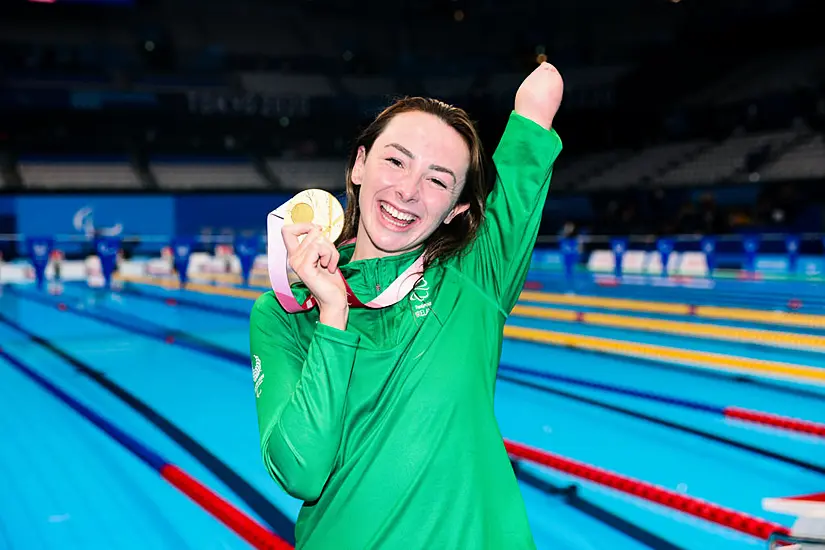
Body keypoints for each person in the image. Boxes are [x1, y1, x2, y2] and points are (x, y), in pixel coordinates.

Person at [249, 62, 564, 549]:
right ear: (359, 164)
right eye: (396, 161)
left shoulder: (476, 276)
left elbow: (542, 97)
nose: (408, 191)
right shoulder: (284, 316)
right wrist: (332, 316)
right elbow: (301, 470)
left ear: (456, 210)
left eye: (438, 181)